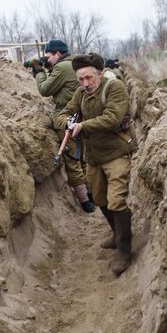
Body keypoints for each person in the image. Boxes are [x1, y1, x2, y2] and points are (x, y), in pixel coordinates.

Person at [56, 53, 137, 275]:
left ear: (99, 74)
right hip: (94, 156)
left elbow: (113, 117)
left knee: (116, 200)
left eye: (89, 78)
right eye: (81, 79)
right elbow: (63, 113)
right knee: (99, 197)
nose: (85, 83)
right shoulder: (80, 94)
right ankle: (116, 232)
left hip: (117, 152)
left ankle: (124, 249)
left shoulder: (114, 88)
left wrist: (83, 126)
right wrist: (67, 122)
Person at [30, 38, 95, 213]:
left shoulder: (61, 67)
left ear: (57, 53)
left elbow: (45, 89)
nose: (48, 58)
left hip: (67, 118)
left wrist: (38, 71)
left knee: (72, 159)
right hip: (84, 116)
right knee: (83, 158)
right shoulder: (74, 64)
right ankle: (92, 193)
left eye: (49, 55)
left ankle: (85, 202)